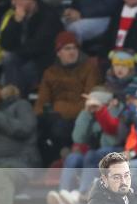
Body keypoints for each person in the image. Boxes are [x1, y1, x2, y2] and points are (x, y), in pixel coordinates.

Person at [35, 30, 101, 166]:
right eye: (67, 49)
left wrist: (60, 108)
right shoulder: (50, 72)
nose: (72, 52)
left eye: (74, 48)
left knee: (61, 127)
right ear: (58, 52)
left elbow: (89, 99)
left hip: (80, 116)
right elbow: (41, 102)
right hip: (56, 118)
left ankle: (65, 159)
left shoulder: (89, 69)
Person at [51, 86, 125, 204]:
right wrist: (86, 113)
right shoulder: (90, 114)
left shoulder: (118, 110)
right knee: (73, 158)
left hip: (113, 152)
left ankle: (81, 193)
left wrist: (102, 111)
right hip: (91, 155)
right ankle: (62, 195)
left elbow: (113, 139)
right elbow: (77, 138)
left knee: (93, 154)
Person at [0, 0, 62, 93]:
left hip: (44, 60)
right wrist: (16, 22)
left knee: (23, 71)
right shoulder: (16, 16)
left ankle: (15, 99)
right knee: (9, 59)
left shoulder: (48, 15)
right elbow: (4, 43)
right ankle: (13, 98)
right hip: (22, 57)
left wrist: (17, 51)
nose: (13, 3)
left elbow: (39, 45)